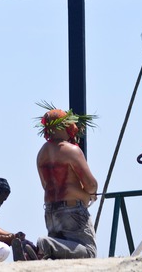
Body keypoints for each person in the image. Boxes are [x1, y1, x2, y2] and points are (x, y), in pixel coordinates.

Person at [33, 104, 99, 260]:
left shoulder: (41, 153)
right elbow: (91, 184)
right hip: (72, 212)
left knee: (61, 256)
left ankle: (35, 248)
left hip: (50, 211)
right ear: (63, 126)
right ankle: (45, 244)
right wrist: (90, 195)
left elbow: (45, 185)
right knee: (89, 253)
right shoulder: (71, 150)